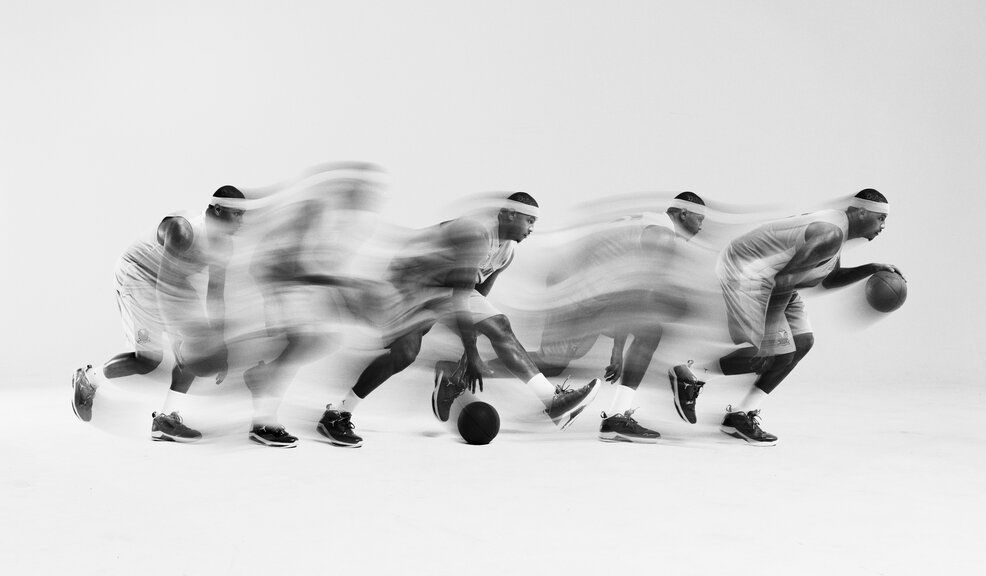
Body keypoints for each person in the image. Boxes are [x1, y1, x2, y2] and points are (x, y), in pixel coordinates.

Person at [316, 193, 600, 448]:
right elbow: (461, 297)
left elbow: (477, 296)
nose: (531, 229)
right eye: (529, 221)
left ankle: (553, 400)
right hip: (410, 285)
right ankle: (338, 413)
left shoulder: (507, 252)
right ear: (509, 215)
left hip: (445, 290)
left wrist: (467, 355)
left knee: (500, 325)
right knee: (404, 354)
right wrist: (473, 352)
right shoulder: (477, 234)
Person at [674, 188, 903, 445]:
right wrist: (770, 337)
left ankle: (739, 415)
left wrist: (870, 268)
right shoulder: (830, 233)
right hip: (748, 272)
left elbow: (828, 280)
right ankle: (691, 374)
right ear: (861, 212)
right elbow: (783, 280)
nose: (883, 226)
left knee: (802, 343)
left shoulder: (837, 230)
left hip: (777, 279)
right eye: (881, 218)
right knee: (772, 353)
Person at [523, 192, 707, 443]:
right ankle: (623, 413)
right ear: (683, 213)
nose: (701, 227)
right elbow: (635, 294)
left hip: (578, 289)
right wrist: (618, 349)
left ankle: (479, 363)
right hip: (582, 297)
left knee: (553, 364)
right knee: (664, 317)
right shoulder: (662, 235)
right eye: (700, 219)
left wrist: (618, 346)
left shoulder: (647, 221)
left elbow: (628, 291)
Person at [72, 186, 245, 442]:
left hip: (173, 281)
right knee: (148, 360)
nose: (242, 222)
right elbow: (164, 289)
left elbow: (216, 295)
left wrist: (220, 346)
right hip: (138, 275)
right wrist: (177, 337)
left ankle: (165, 420)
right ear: (218, 210)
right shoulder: (183, 230)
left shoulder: (225, 246)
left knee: (197, 343)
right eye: (237, 214)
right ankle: (88, 379)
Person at [241, 169, 382, 447]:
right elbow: (290, 264)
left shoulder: (345, 226)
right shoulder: (313, 212)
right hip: (279, 284)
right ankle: (262, 420)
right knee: (304, 342)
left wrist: (345, 296)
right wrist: (345, 290)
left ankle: (263, 386)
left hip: (294, 287)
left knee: (316, 342)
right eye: (357, 191)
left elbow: (319, 268)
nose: (363, 199)